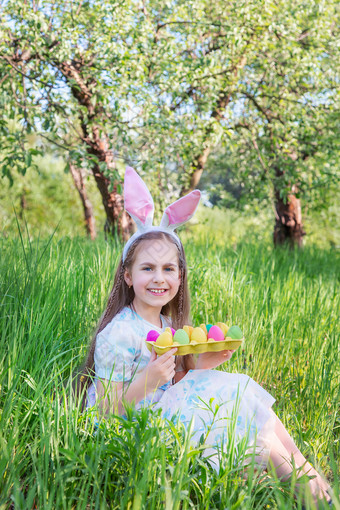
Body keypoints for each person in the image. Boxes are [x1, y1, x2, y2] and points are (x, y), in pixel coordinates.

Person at [81, 167, 332, 507]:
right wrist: (148, 380)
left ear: (180, 276)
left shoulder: (168, 324)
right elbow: (104, 413)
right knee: (235, 396)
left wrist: (202, 364)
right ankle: (312, 494)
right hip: (138, 427)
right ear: (127, 275)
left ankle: (310, 478)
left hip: (166, 411)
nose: (159, 278)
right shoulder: (119, 333)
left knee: (242, 392)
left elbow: (178, 382)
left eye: (169, 269)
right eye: (147, 269)